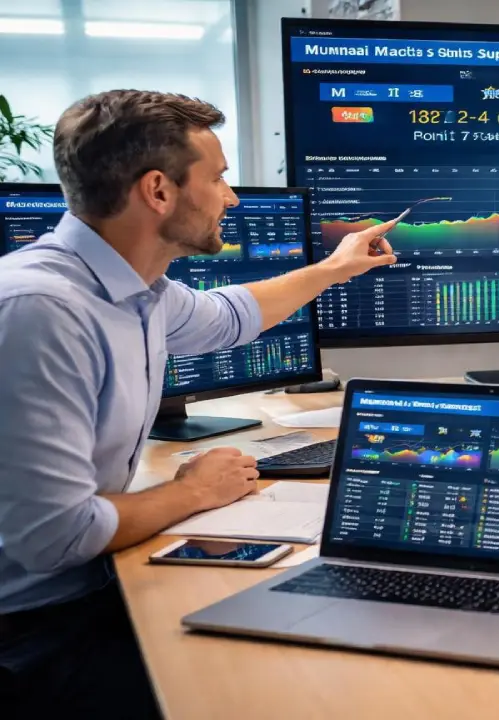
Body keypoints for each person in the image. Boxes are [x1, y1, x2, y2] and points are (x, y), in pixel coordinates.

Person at [0, 90, 402, 717]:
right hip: (33, 636)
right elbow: (57, 537)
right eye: (217, 178)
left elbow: (229, 316)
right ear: (158, 191)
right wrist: (194, 492)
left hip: (81, 595)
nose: (231, 198)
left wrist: (334, 268)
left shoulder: (135, 290)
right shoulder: (42, 311)